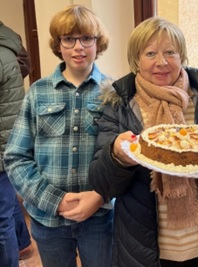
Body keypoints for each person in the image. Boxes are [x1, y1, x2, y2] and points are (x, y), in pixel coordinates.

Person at [88, 17, 198, 267]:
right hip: (146, 251)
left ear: (182, 56)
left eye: (171, 52)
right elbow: (101, 183)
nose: (161, 62)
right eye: (150, 53)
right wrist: (116, 156)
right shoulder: (120, 104)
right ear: (136, 59)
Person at [4, 5, 114, 267]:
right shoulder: (38, 92)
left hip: (99, 219)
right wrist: (55, 200)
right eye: (69, 38)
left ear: (98, 43)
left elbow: (123, 158)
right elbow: (16, 157)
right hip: (48, 220)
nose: (78, 46)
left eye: (87, 38)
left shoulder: (113, 93)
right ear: (58, 44)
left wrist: (99, 196)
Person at [0, 21, 34, 266]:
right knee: (7, 199)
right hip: (10, 138)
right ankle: (23, 245)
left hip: (2, 140)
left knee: (0, 220)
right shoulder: (9, 42)